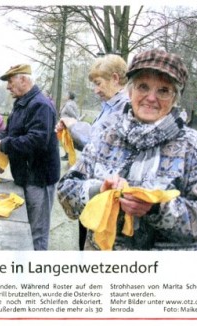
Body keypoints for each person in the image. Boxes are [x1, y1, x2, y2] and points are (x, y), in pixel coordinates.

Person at [57, 48, 197, 251]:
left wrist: (156, 209)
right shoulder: (107, 136)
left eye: (163, 90)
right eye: (143, 87)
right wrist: (99, 190)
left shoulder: (192, 145)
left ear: (175, 98)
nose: (151, 98)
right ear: (130, 91)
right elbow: (66, 191)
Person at [56, 54, 130, 250]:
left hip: (106, 194)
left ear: (115, 79)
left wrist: (74, 126)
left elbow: (97, 142)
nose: (96, 90)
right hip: (92, 192)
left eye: (99, 83)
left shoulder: (126, 109)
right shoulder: (109, 107)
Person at [0, 64, 61, 250]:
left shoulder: (40, 105)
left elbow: (36, 141)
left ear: (24, 79)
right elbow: (10, 131)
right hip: (26, 176)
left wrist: (3, 145)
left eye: (10, 81)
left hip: (39, 179)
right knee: (26, 228)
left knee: (37, 234)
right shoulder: (21, 104)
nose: (8, 87)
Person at [59, 91, 79, 160]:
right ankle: (67, 154)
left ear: (69, 96)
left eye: (66, 94)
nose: (65, 95)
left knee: (67, 139)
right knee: (66, 139)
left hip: (68, 125)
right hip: (66, 124)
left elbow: (74, 115)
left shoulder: (69, 104)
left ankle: (68, 155)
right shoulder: (70, 103)